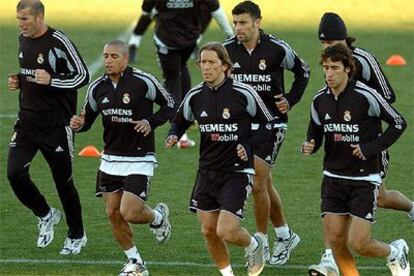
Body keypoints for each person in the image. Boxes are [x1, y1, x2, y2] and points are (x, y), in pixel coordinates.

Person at [308, 12, 414, 276]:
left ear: (345, 39)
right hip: (342, 147)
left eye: (332, 41)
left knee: (377, 196)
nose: (328, 47)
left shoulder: (363, 60)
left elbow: (389, 95)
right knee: (366, 198)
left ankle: (408, 215)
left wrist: (359, 97)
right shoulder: (331, 65)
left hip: (370, 142)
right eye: (323, 43)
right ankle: (331, 257)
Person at [165, 42, 274, 276]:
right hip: (207, 171)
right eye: (202, 62)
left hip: (236, 172)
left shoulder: (243, 93)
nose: (206, 67)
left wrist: (249, 146)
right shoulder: (195, 95)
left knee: (226, 231)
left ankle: (254, 245)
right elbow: (180, 119)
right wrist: (174, 133)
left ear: (225, 66)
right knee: (208, 231)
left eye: (211, 62)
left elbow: (267, 124)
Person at [70, 40, 175, 276]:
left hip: (140, 158)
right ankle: (135, 262)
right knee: (113, 213)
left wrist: (151, 122)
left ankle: (157, 217)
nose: (108, 60)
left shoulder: (143, 81)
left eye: (114, 56)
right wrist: (78, 125)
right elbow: (87, 121)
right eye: (105, 56)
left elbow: (170, 105)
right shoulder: (97, 88)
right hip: (110, 159)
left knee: (130, 212)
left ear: (125, 59)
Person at [223, 0, 310, 264]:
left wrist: (291, 99)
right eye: (235, 22)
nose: (238, 28)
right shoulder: (227, 50)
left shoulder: (276, 49)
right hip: (240, 125)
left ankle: (260, 241)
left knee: (257, 182)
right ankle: (285, 234)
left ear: (257, 23)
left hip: (272, 123)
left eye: (243, 23)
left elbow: (303, 71)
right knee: (265, 182)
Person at [7, 0, 89, 254]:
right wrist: (20, 80)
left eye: (25, 19)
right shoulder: (24, 39)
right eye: (18, 19)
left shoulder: (59, 41)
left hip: (56, 126)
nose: (20, 24)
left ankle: (77, 235)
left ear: (39, 17)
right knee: (14, 174)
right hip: (27, 122)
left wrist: (52, 80)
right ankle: (45, 213)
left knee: (63, 183)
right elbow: (32, 73)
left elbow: (83, 75)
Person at [127, 0, 233, 149]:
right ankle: (188, 117)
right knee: (181, 69)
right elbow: (215, 10)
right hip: (190, 39)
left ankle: (180, 134)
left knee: (172, 80)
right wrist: (229, 34)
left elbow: (146, 11)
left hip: (167, 41)